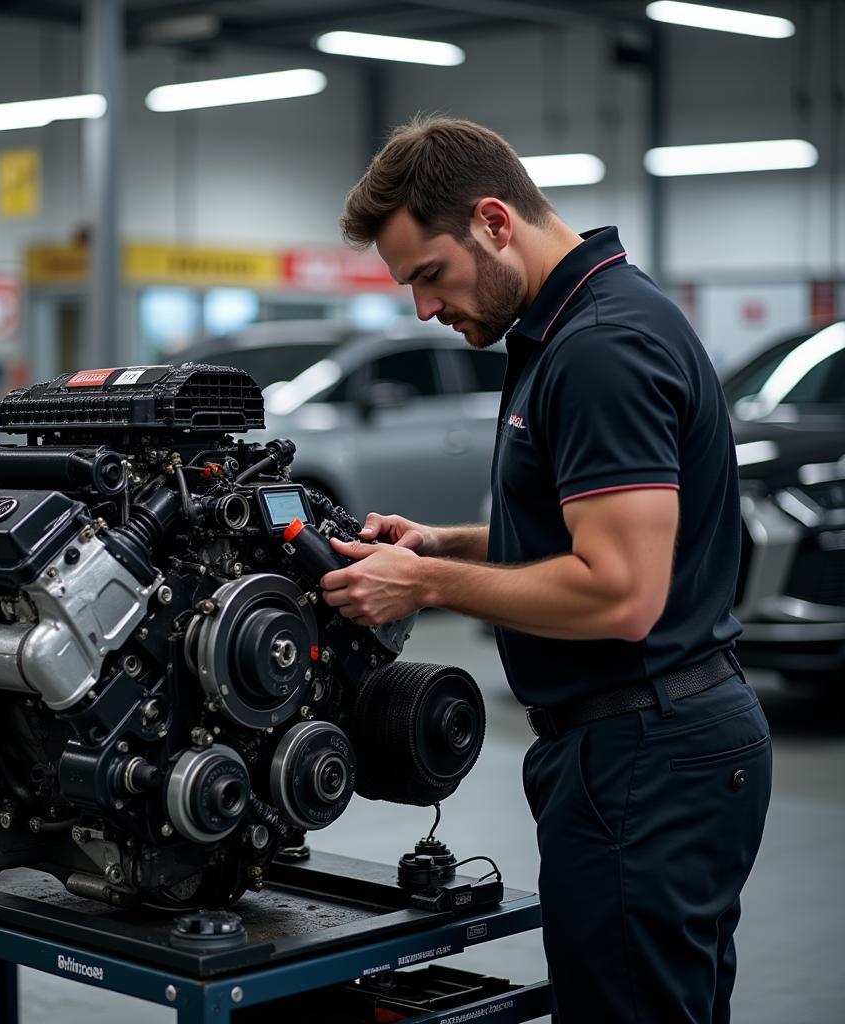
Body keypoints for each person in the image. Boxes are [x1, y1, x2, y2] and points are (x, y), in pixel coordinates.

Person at [323, 115, 771, 1023]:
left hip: (646, 751)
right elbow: (586, 537)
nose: (423, 308)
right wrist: (440, 544)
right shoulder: (574, 322)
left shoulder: (601, 347)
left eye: (428, 275)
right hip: (645, 743)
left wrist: (428, 588)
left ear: (494, 221)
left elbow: (622, 592)